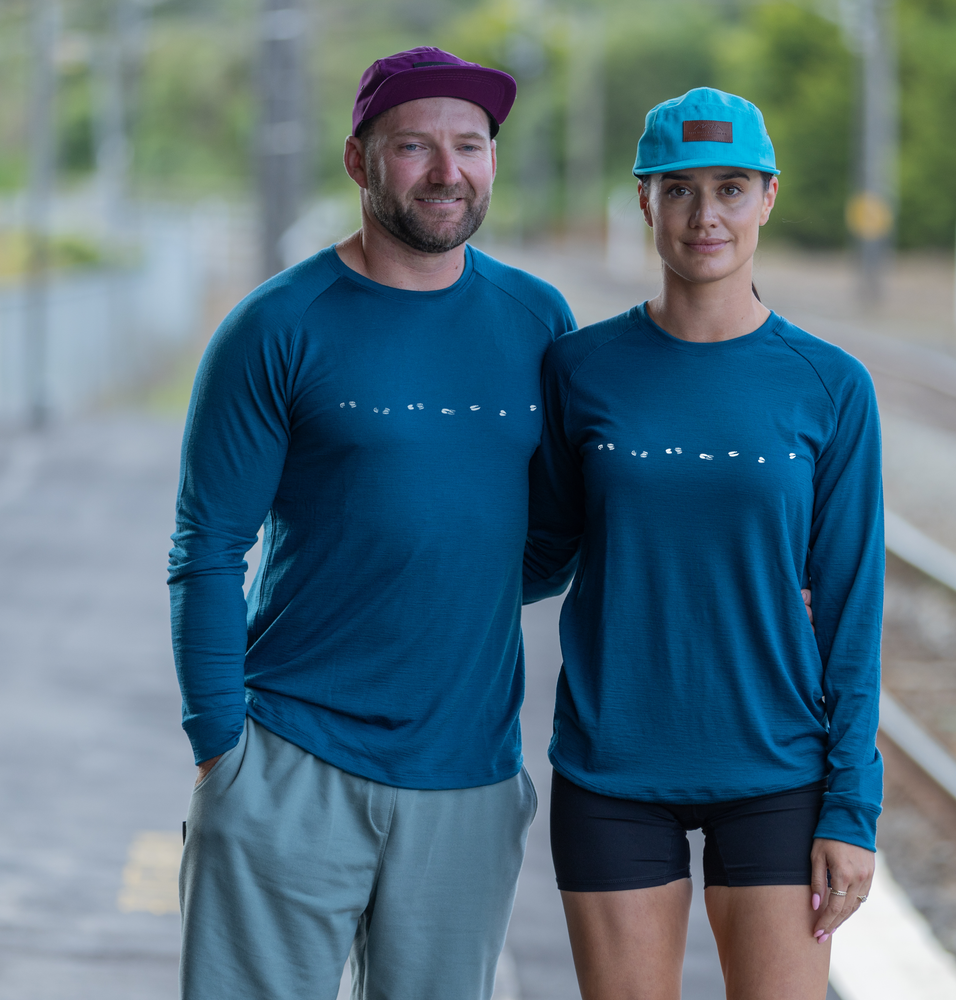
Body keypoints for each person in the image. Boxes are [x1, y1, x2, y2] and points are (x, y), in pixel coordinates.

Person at [167, 47, 578, 1000]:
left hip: (468, 775)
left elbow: (556, 533)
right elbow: (207, 549)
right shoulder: (277, 326)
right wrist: (218, 750)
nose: (448, 171)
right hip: (288, 759)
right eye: (414, 147)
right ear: (359, 162)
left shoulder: (536, 320)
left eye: (470, 146)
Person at [525, 88, 883, 1000]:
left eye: (730, 188)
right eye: (678, 189)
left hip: (775, 767)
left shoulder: (831, 386)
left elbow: (850, 608)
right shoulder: (579, 368)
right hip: (613, 761)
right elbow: (538, 550)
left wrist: (852, 803)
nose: (705, 215)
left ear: (769, 197)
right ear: (644, 200)